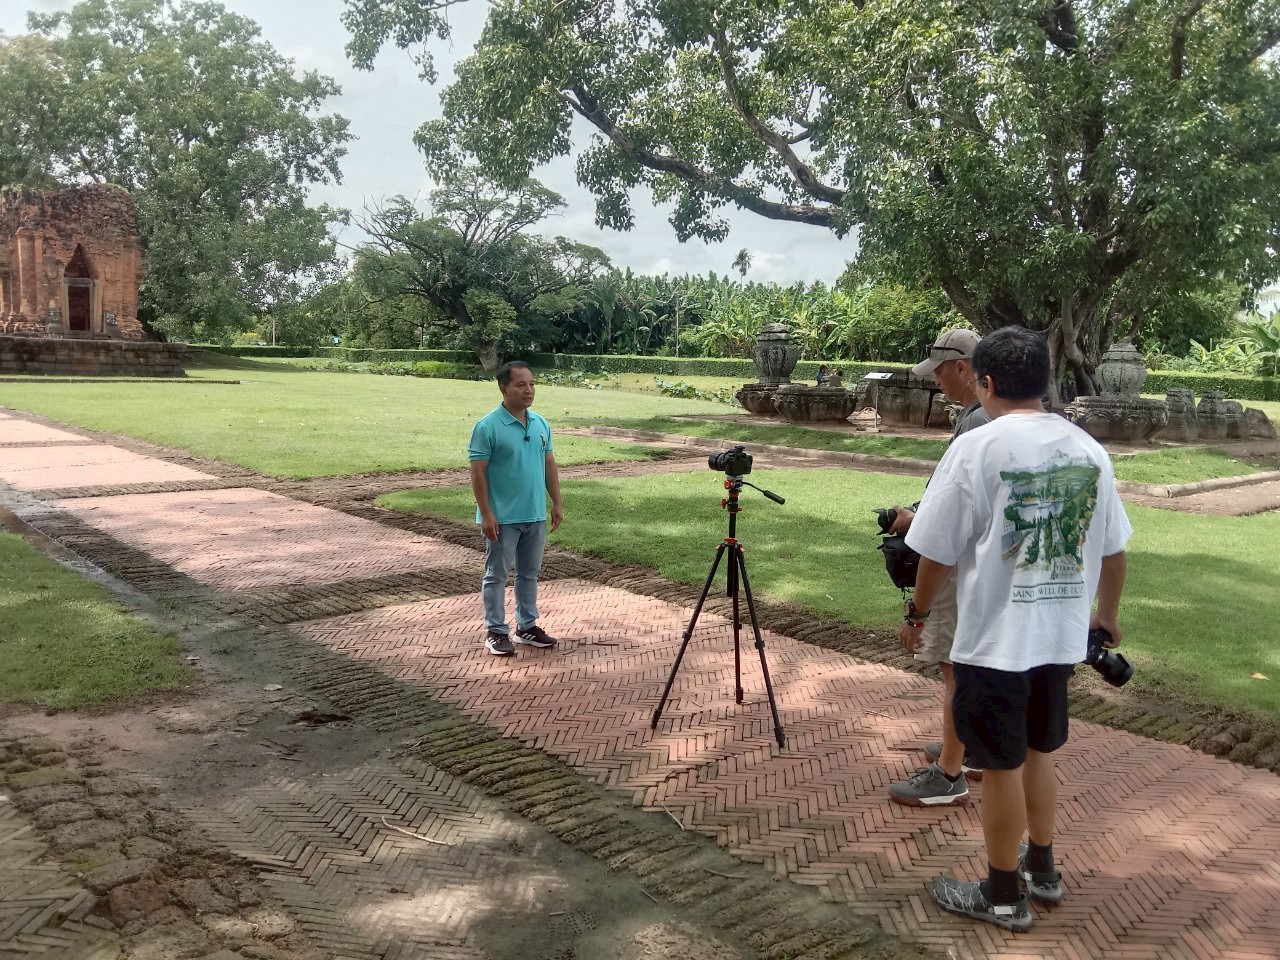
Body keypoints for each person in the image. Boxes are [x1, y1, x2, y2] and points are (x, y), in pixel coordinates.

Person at [900, 326, 1131, 932]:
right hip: (1059, 636)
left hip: (994, 639)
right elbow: (1114, 550)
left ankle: (1002, 894)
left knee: (1000, 764)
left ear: (986, 381)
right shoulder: (1087, 449)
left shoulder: (978, 447)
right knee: (1036, 751)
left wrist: (917, 612)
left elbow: (934, 552)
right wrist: (1106, 614)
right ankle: (1042, 866)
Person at [886, 327, 990, 808]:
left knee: (954, 665)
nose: (936, 380)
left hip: (959, 559)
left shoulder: (978, 422)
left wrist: (917, 519)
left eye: (941, 371)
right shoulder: (984, 416)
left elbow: (956, 506)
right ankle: (967, 750)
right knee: (967, 666)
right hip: (982, 561)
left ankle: (949, 774)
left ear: (963, 368)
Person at [468, 361, 564, 656]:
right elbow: (478, 473)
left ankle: (527, 626)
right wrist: (486, 513)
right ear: (503, 388)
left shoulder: (540, 423)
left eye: (532, 384)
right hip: (502, 517)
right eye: (521, 385)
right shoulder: (487, 427)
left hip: (534, 514)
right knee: (496, 575)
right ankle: (496, 631)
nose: (529, 390)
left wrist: (557, 502)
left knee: (529, 574)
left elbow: (549, 464)